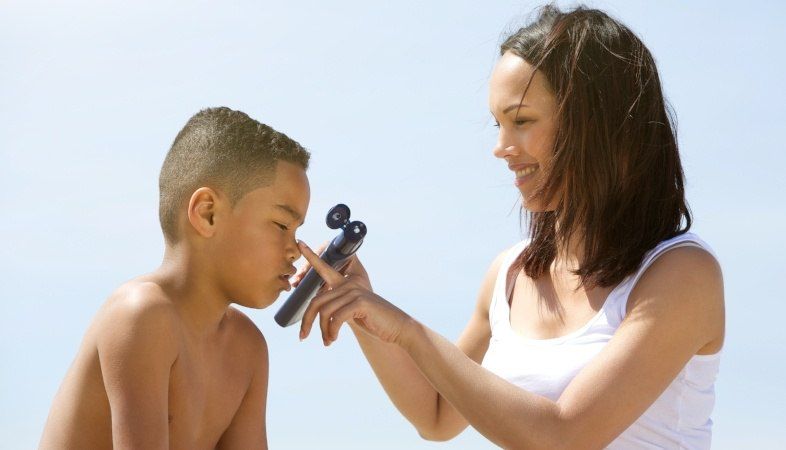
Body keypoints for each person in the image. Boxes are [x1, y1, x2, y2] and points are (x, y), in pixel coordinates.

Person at [295, 5, 724, 449]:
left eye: (521, 121)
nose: (501, 148)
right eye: (497, 124)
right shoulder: (509, 274)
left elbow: (564, 436)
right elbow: (438, 415)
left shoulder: (682, 275)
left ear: (598, 125)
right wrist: (365, 310)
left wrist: (409, 332)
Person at [39, 107, 311, 449]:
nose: (296, 251)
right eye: (282, 226)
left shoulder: (247, 349)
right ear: (207, 214)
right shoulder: (141, 315)